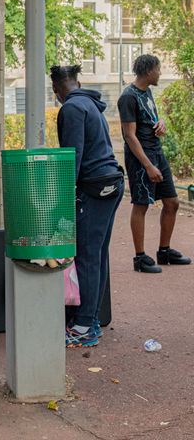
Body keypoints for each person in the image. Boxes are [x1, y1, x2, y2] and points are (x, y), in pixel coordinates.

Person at [51, 65, 123, 348]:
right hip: (111, 182)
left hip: (94, 186)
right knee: (98, 254)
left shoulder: (71, 109)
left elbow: (72, 156)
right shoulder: (91, 104)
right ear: (77, 82)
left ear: (57, 89)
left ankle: (83, 326)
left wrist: (62, 198)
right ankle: (90, 319)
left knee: (87, 255)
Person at [117, 55, 190, 273]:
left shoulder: (147, 92)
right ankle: (140, 258)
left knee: (172, 202)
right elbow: (129, 136)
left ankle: (164, 251)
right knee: (141, 204)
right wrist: (148, 165)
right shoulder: (127, 97)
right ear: (148, 71)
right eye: (158, 69)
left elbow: (149, 120)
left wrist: (161, 123)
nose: (160, 73)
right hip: (142, 159)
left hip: (157, 152)